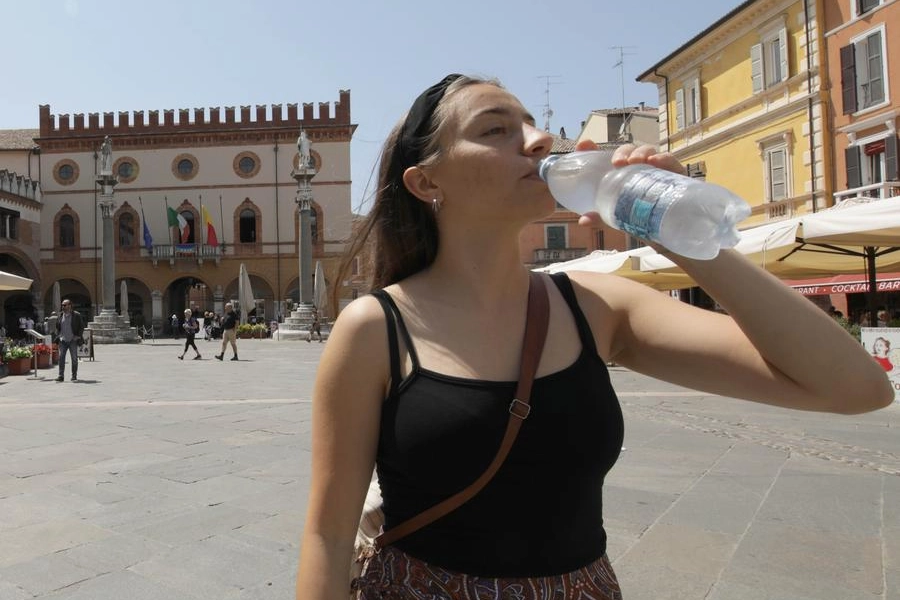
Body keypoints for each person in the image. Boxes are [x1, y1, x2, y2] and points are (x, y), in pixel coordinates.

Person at [294, 74, 893, 600]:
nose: (538, 139)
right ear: (427, 183)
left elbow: (855, 387)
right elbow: (328, 532)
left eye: (531, 124)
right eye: (496, 130)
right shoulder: (375, 328)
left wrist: (683, 234)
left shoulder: (600, 307)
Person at [55, 299, 84, 382]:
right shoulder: (60, 315)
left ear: (70, 305)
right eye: (62, 305)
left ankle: (74, 376)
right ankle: (61, 376)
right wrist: (59, 335)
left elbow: (81, 326)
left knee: (74, 359)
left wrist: (77, 336)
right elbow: (57, 326)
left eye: (64, 305)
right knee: (61, 358)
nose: (63, 307)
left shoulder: (76, 315)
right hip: (62, 340)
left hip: (72, 340)